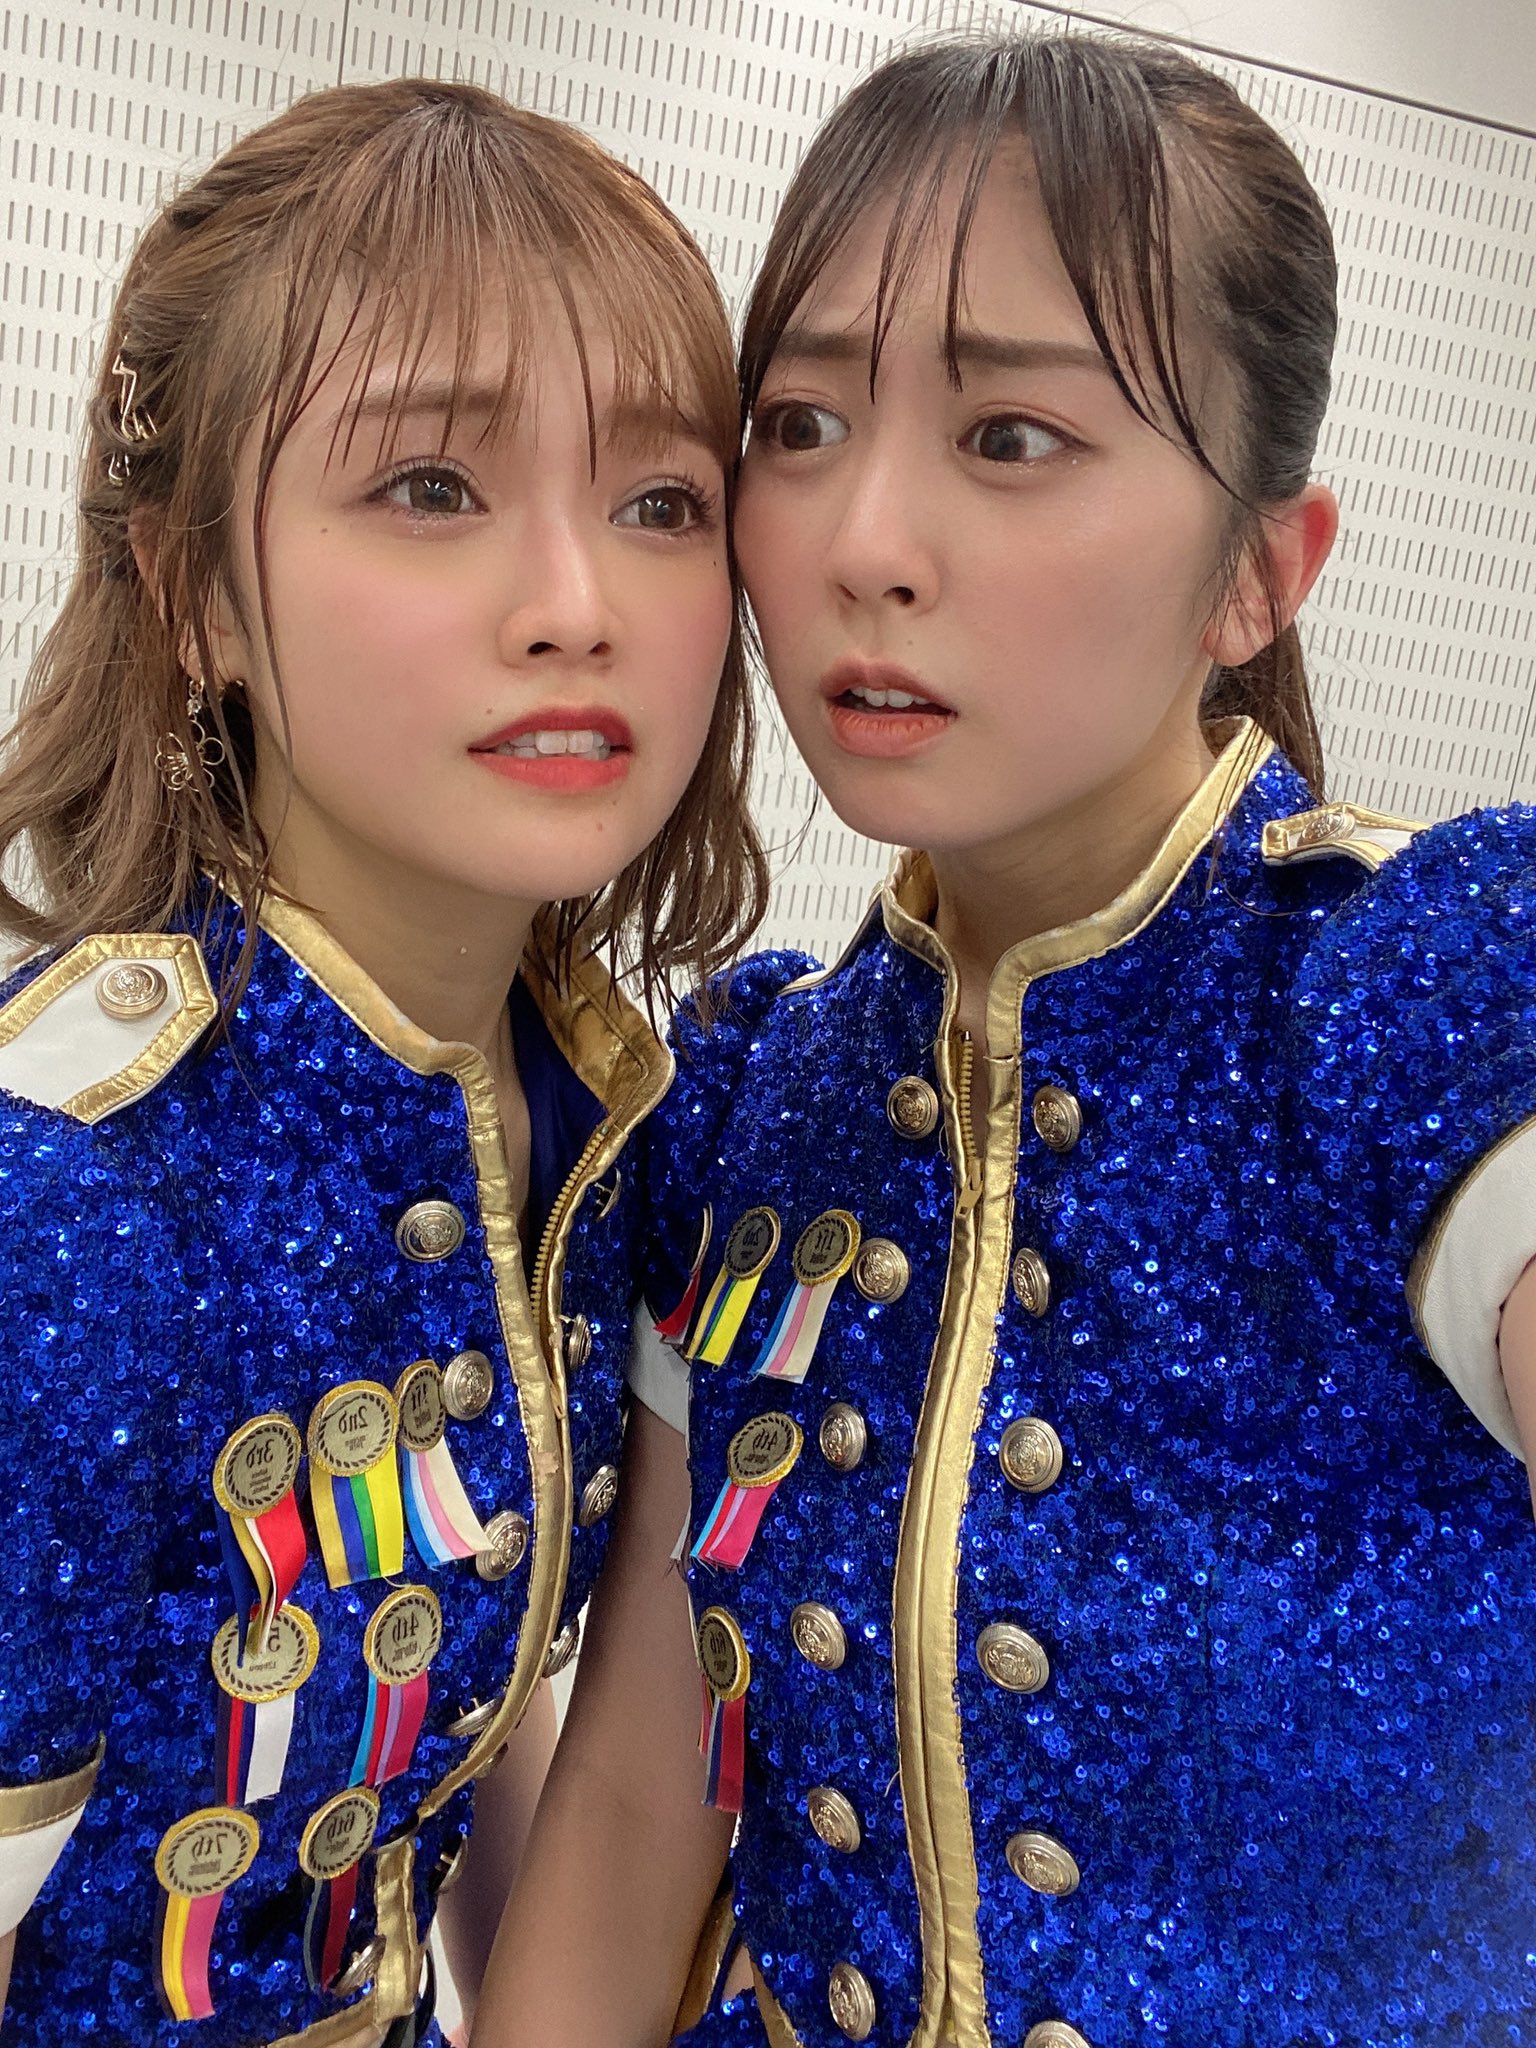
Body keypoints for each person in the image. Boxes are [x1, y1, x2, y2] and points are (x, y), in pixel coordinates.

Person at [476, 32, 1536, 2048]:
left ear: (1259, 571)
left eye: (1013, 434)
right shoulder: (754, 1096)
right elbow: (629, 1803)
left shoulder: (1422, 995)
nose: (864, 540)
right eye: (799, 424)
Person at [0, 76, 765, 2048]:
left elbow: (438, 1718)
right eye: (431, 485)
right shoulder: (64, 1201)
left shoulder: (596, 1124)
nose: (577, 606)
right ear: (191, 593)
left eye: (661, 502)